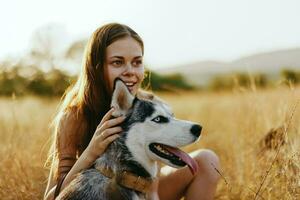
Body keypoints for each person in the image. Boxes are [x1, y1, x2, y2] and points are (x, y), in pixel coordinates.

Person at [43, 23, 220, 200]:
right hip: (97, 191)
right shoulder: (75, 115)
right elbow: (52, 198)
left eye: (137, 62)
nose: (130, 71)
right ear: (96, 67)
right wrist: (91, 153)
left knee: (207, 160)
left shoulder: (151, 106)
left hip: (141, 191)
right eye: (117, 62)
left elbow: (152, 191)